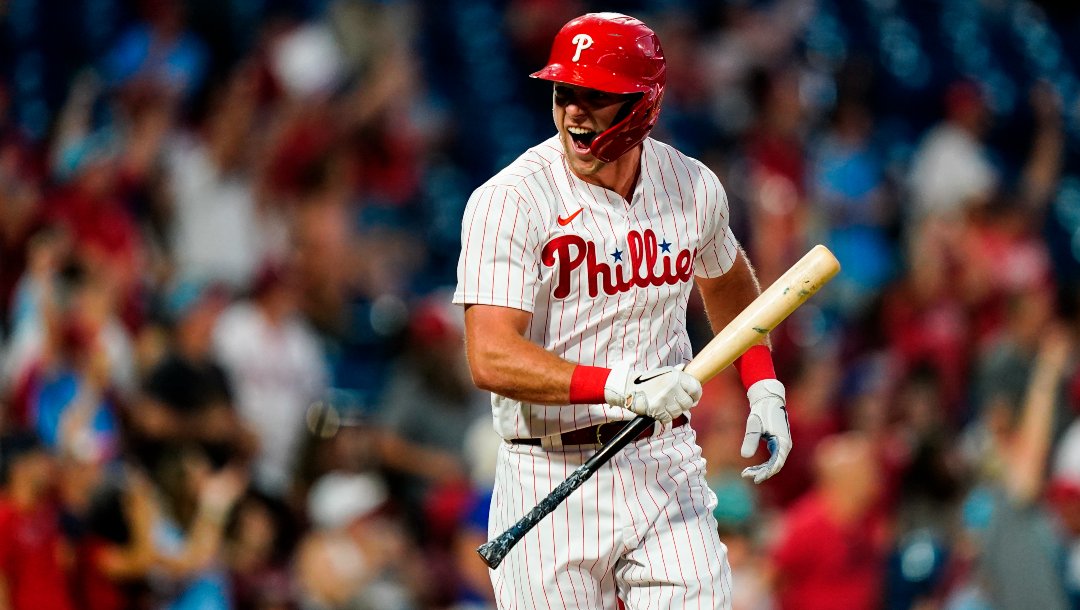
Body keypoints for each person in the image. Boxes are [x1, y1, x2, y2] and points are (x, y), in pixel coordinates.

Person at [453, 13, 791, 609]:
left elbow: (729, 281)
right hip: (548, 470)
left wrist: (761, 382)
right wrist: (619, 387)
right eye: (564, 92)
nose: (574, 112)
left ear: (643, 103)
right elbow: (491, 355)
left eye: (595, 95)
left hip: (662, 462)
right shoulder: (509, 201)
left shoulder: (692, 185)